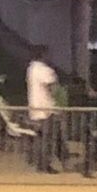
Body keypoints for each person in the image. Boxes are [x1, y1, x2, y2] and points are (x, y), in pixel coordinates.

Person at [25, 44, 63, 172]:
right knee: (47, 138)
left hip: (35, 107)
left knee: (40, 137)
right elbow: (54, 88)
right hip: (46, 108)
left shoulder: (31, 68)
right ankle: (45, 164)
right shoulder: (45, 70)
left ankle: (40, 161)